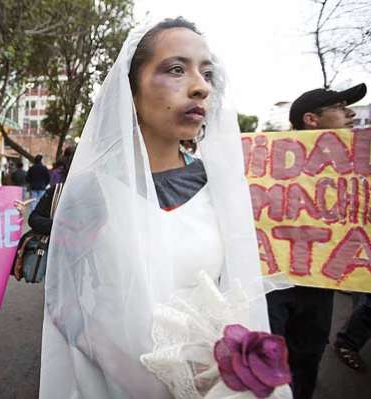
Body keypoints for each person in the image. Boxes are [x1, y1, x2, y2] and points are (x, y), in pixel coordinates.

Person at [40, 18, 290, 399]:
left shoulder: (219, 187)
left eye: (206, 73)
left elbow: (236, 294)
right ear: (131, 90)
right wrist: (136, 379)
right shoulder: (91, 191)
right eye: (176, 69)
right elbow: (63, 298)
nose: (200, 86)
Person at [267, 83, 367, 399]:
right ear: (311, 119)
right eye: (339, 107)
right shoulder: (267, 161)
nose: (350, 114)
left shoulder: (359, 165)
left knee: (307, 359)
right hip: (273, 282)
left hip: (319, 284)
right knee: (267, 361)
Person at [28, 146, 75, 236]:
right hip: (44, 188)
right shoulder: (44, 169)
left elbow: (35, 217)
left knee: (36, 203)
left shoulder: (33, 168)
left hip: (38, 188)